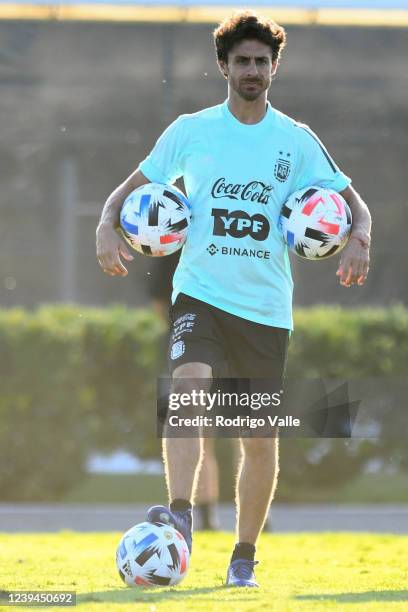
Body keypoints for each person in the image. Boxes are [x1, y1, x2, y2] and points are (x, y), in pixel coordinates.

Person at [96, 10, 371, 587]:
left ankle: (243, 554)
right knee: (188, 387)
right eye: (242, 61)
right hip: (199, 295)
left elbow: (355, 206)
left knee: (259, 439)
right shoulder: (190, 131)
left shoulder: (295, 142)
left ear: (274, 68)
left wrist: (358, 242)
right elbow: (127, 193)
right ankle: (180, 514)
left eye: (262, 62)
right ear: (223, 66)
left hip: (266, 310)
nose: (253, 70)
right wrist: (105, 227)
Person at [149, 252, 220, 531]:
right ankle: (202, 514)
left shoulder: (173, 246)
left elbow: (158, 305)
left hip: (191, 348)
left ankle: (206, 514)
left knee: (210, 430)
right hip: (192, 349)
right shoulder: (172, 247)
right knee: (204, 429)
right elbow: (157, 300)